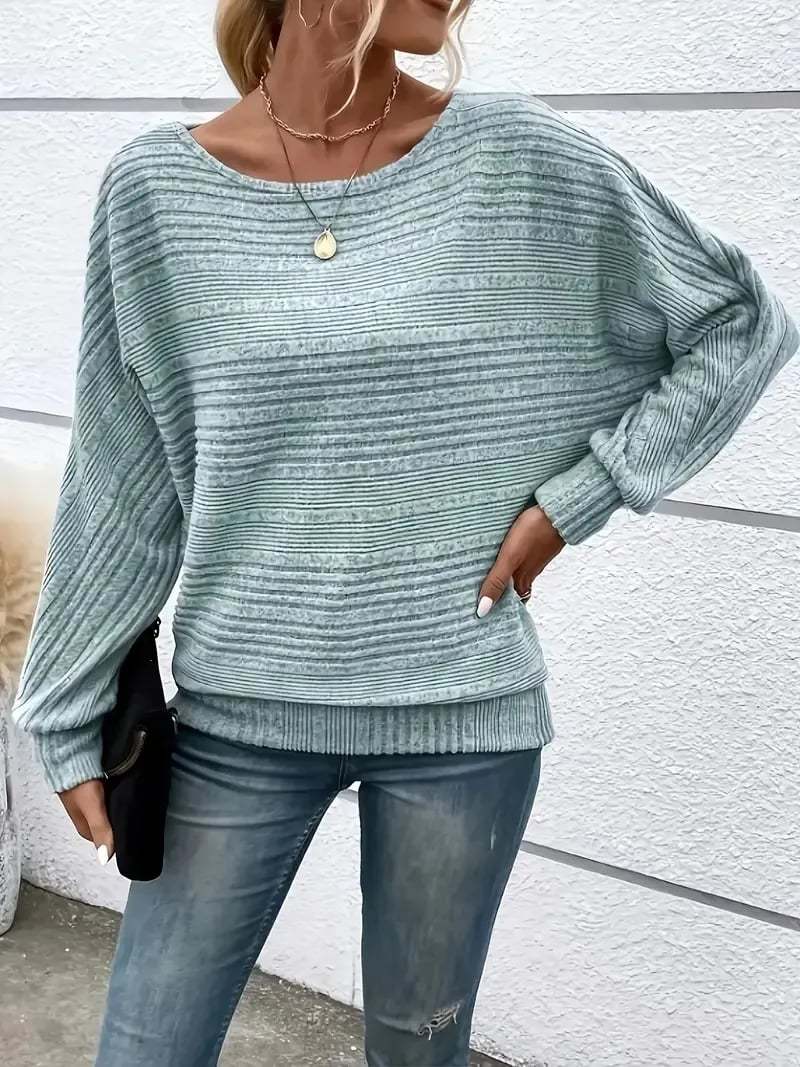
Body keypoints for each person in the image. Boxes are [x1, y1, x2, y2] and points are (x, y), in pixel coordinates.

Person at [10, 1, 798, 1064]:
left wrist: (576, 500)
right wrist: (63, 701)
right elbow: (122, 476)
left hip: (462, 724)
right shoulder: (157, 191)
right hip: (237, 722)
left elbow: (739, 322)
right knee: (145, 1045)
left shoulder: (512, 154)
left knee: (418, 1050)